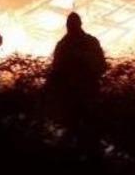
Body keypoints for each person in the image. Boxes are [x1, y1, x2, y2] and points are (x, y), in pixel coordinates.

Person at [46, 12, 107, 155]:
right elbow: (102, 66)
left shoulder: (63, 45)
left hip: (72, 95)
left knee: (74, 130)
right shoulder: (90, 42)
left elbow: (56, 71)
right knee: (89, 130)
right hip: (86, 93)